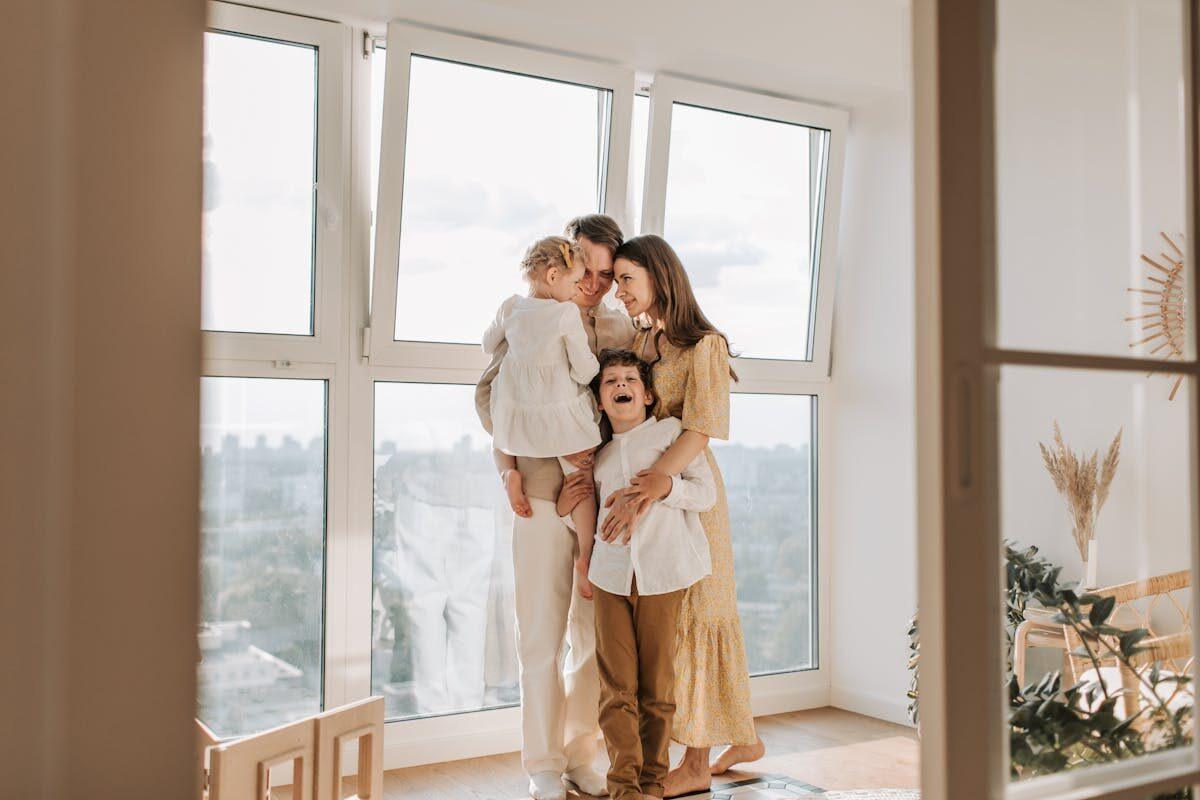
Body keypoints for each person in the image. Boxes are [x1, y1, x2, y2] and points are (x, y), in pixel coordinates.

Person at [476, 215, 635, 800]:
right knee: (540, 634)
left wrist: (594, 477)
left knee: (593, 637)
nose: (593, 283)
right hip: (540, 494)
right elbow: (495, 396)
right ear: (565, 265)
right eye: (584, 270)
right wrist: (508, 474)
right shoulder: (531, 315)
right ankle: (542, 764)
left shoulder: (619, 324)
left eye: (604, 274)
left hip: (602, 498)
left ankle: (579, 757)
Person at [603, 234, 766, 797]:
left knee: (703, 614)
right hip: (658, 488)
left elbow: (702, 424)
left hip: (688, 484)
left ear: (659, 276)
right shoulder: (647, 344)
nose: (617, 290)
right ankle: (742, 737)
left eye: (626, 278)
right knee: (677, 620)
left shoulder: (705, 346)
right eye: (617, 279)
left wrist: (658, 482)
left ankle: (696, 763)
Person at [568, 348, 715, 800]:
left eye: (629, 379)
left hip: (663, 578)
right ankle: (623, 787)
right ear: (600, 403)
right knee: (616, 690)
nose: (620, 386)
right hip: (610, 578)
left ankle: (652, 783)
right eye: (610, 382)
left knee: (657, 688)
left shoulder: (671, 436)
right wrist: (582, 559)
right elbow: (585, 512)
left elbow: (704, 494)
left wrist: (663, 486)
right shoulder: (602, 458)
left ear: (648, 395)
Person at [482, 235, 602, 596]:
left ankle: (509, 474)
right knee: (581, 478)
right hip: (560, 418)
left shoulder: (510, 306)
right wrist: (589, 373)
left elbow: (489, 344)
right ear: (553, 277)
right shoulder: (565, 313)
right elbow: (583, 368)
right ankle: (586, 554)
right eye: (575, 280)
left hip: (519, 416)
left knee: (500, 437)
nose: (580, 287)